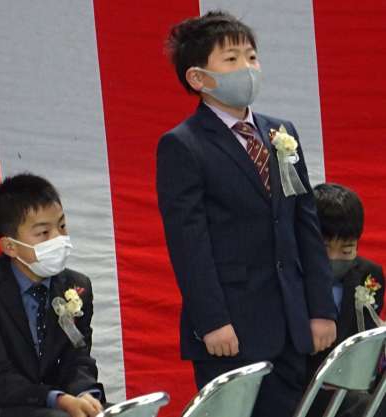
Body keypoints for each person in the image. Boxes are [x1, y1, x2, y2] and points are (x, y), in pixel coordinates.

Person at [156, 10, 337, 417]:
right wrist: (212, 321)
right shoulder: (183, 145)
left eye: (251, 57)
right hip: (232, 330)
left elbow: (305, 224)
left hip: (292, 323)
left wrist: (321, 308)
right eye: (231, 59)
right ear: (198, 78)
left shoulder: (280, 133)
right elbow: (189, 244)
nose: (247, 68)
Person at [0, 173, 105, 417]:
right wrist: (59, 400)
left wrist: (85, 394)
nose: (59, 239)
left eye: (62, 226)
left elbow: (78, 358)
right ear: (10, 246)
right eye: (43, 233)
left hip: (62, 405)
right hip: (4, 407)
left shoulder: (77, 286)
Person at [307, 183, 385, 417]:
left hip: (352, 382)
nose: (334, 258)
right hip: (305, 383)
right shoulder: (292, 278)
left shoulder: (370, 276)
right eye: (325, 249)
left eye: (346, 251)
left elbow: (367, 330)